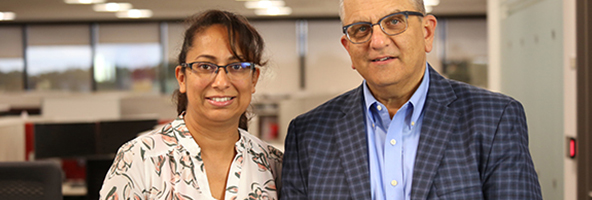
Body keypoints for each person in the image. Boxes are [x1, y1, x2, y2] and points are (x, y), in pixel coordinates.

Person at [280, 0, 542, 199]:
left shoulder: (494, 118)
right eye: (361, 30)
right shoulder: (308, 133)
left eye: (394, 22)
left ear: (427, 32)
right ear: (348, 48)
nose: (378, 41)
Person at [99, 10, 282, 200]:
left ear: (254, 79)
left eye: (236, 67)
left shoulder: (274, 165)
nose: (221, 82)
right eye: (205, 66)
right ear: (181, 78)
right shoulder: (139, 159)